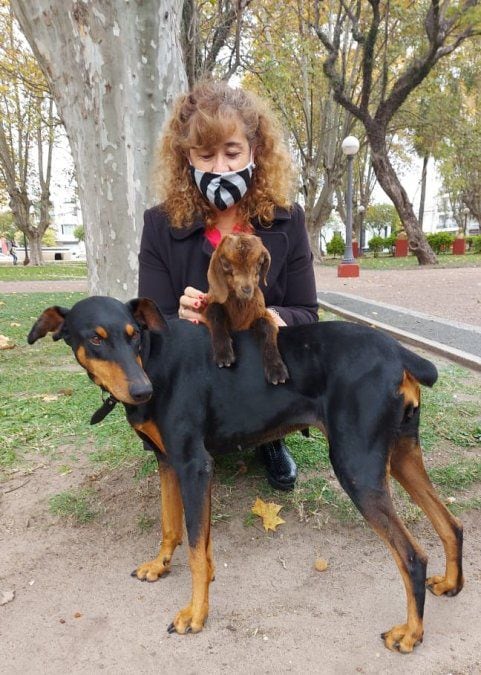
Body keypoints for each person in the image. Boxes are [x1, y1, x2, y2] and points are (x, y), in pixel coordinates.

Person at [138, 80, 318, 491]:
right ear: (186, 157)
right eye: (206, 154)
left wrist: (270, 316)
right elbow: (151, 320)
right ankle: (193, 430)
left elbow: (307, 311)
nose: (220, 168)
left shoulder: (288, 220)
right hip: (201, 362)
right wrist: (177, 316)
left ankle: (270, 436)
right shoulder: (159, 225)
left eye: (232, 152)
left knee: (268, 343)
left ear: (255, 150)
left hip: (262, 360)